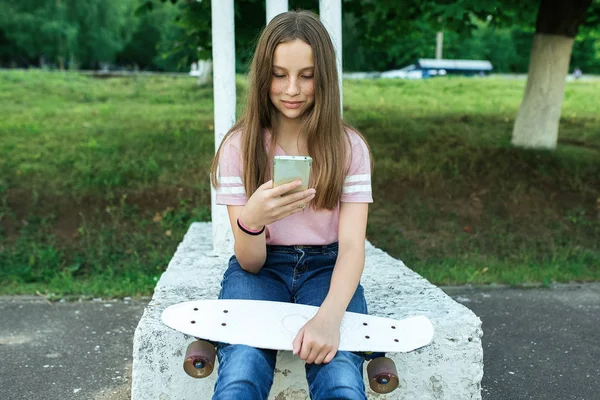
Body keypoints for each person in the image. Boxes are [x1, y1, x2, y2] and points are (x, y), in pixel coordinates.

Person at [209, 10, 373, 400]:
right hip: (260, 270)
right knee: (241, 370)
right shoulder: (239, 148)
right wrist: (252, 221)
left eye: (307, 75)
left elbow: (352, 247)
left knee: (341, 378)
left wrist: (329, 319)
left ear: (325, 77)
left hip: (328, 267)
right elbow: (250, 262)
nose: (292, 89)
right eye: (280, 74)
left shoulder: (350, 148)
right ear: (263, 75)